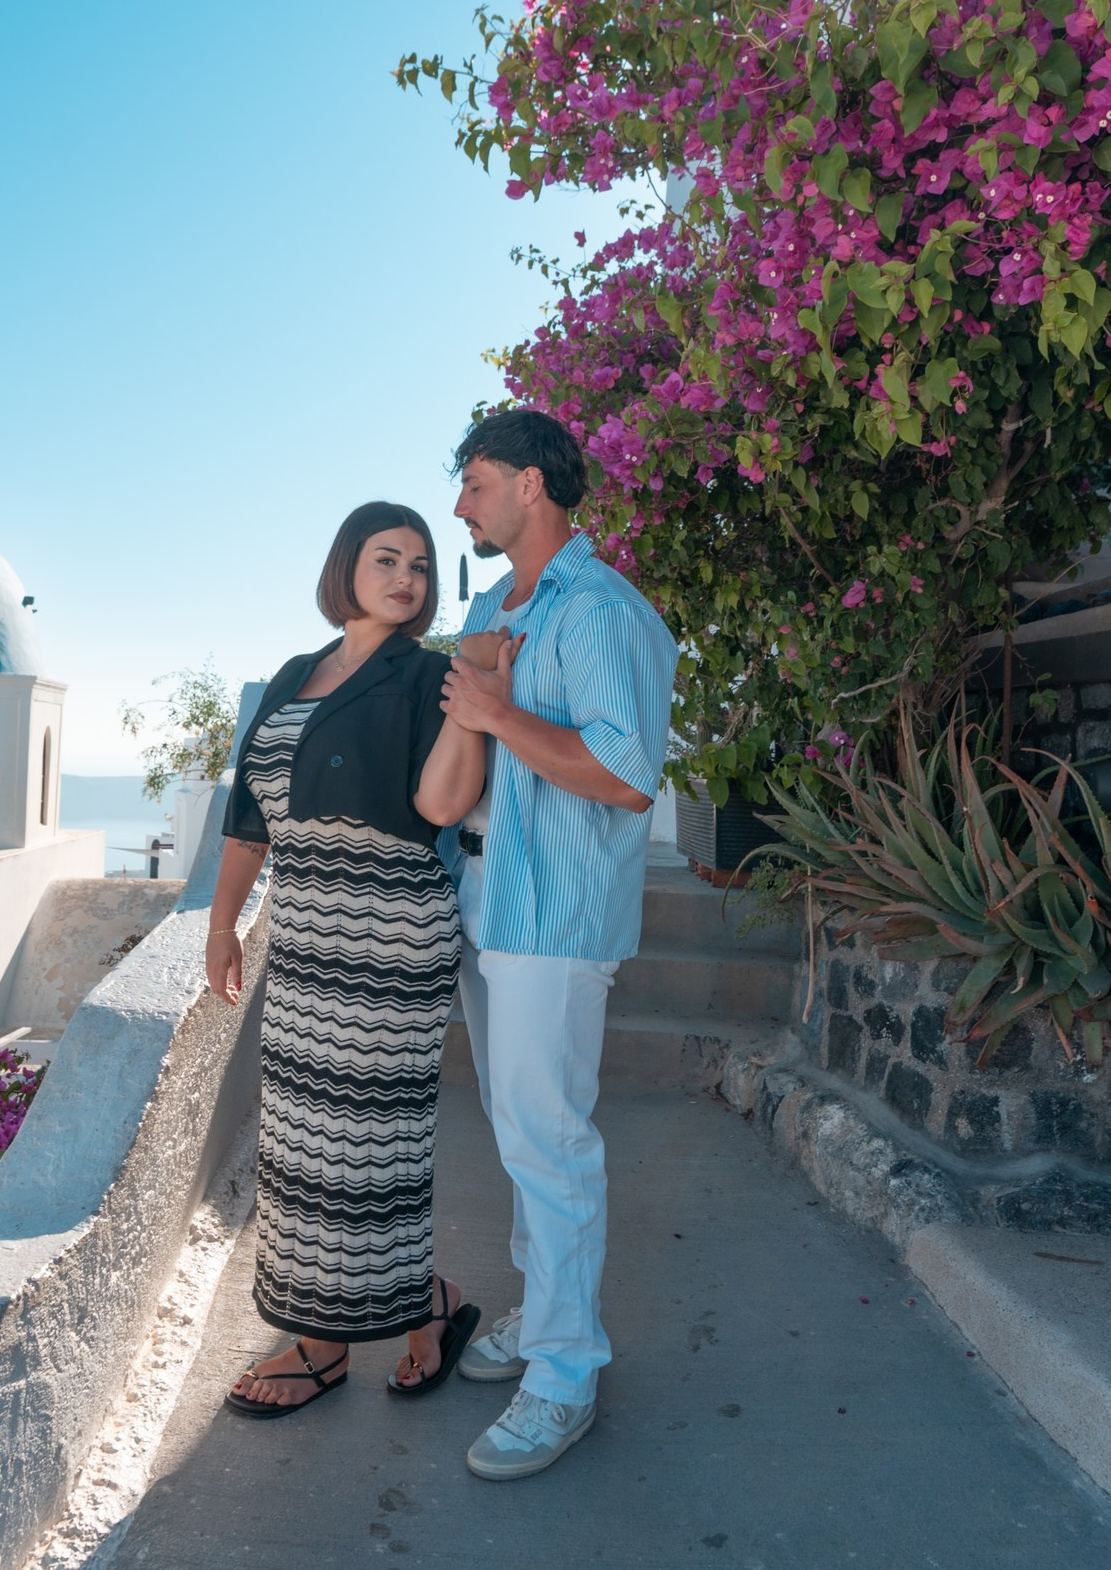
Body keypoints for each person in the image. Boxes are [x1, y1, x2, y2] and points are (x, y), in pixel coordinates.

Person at [205, 501, 489, 1417]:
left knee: (373, 1148)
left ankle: (327, 1343)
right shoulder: (296, 673)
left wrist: (473, 708)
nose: (405, 576)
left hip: (389, 934)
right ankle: (428, 1306)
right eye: (385, 557)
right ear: (346, 568)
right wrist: (221, 924)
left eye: (419, 563)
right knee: (299, 1145)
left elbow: (441, 805)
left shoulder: (430, 675)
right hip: (304, 937)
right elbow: (250, 820)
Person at [437, 408, 678, 1481]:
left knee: (550, 1137)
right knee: (514, 1122)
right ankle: (543, 1310)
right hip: (488, 895)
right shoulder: (496, 605)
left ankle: (565, 1371)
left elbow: (625, 777)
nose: (460, 506)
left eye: (475, 482)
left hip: (557, 913)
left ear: (532, 485)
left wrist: (492, 710)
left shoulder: (603, 611)